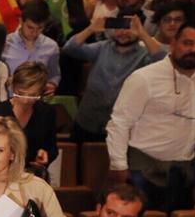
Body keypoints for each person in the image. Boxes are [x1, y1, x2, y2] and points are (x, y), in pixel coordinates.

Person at [107, 14, 195, 212]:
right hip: (142, 169)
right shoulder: (144, 78)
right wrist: (119, 167)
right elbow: (119, 123)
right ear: (174, 43)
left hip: (185, 170)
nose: (194, 50)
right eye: (187, 43)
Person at [61, 13, 162, 143]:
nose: (123, 32)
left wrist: (143, 34)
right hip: (88, 118)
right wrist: (91, 29)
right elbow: (70, 48)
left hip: (122, 125)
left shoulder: (145, 54)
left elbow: (163, 60)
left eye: (129, 27)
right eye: (119, 26)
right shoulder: (102, 47)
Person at [0, 62, 57, 180]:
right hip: (0, 175)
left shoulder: (47, 112)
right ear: (13, 87)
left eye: (33, 95)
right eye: (21, 93)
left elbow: (52, 146)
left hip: (33, 176)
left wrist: (46, 154)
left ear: (41, 92)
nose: (25, 100)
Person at [2, 0, 61, 94]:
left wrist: (52, 84)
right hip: (8, 101)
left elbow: (54, 74)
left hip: (36, 102)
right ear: (21, 21)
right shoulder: (5, 44)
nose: (34, 33)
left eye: (40, 28)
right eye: (30, 27)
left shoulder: (51, 47)